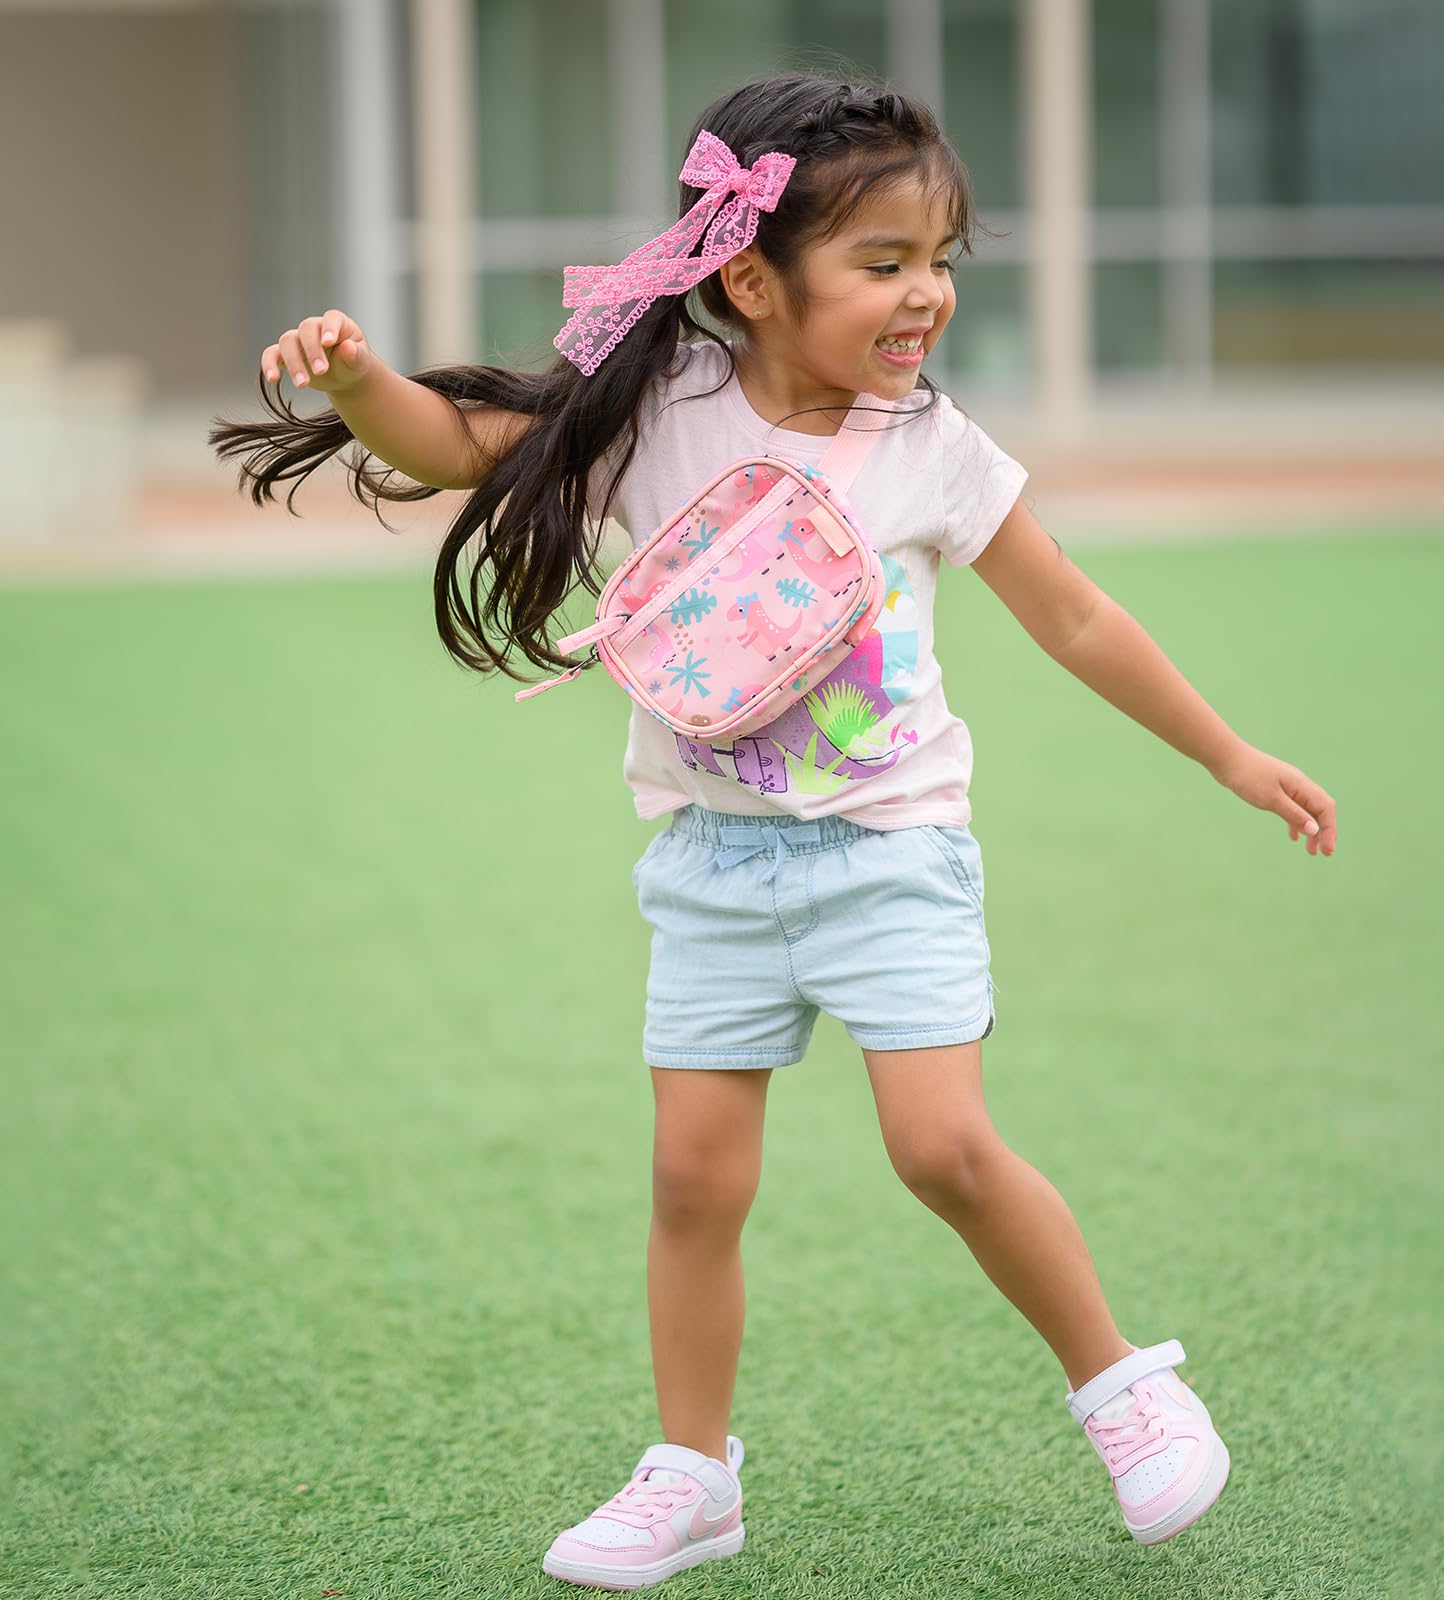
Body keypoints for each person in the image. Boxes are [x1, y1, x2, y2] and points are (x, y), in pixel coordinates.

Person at [212, 69, 1337, 1594]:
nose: (926, 294)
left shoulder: (934, 448)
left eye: (941, 259)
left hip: (891, 849)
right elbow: (456, 445)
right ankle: (692, 1477)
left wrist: (1228, 752)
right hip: (711, 864)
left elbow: (1073, 614)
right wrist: (354, 380)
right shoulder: (653, 412)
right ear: (750, 275)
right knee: (693, 1181)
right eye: (885, 263)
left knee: (942, 1148)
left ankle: (1124, 1385)